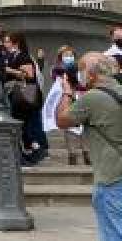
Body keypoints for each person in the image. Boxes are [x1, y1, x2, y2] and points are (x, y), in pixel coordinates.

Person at [55, 52, 122, 241]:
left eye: (81, 69)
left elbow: (61, 120)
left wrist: (67, 91)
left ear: (91, 74)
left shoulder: (93, 98)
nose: (79, 74)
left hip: (112, 177)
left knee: (113, 233)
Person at [1, 31, 48, 165]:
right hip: (18, 94)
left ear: (16, 43)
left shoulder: (23, 56)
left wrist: (9, 70)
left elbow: (29, 75)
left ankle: (35, 150)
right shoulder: (12, 56)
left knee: (27, 124)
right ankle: (29, 150)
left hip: (25, 93)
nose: (6, 44)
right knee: (23, 124)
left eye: (8, 41)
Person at [50, 45, 92, 166]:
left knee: (85, 127)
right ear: (60, 57)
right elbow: (57, 85)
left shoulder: (81, 68)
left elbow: (85, 84)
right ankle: (72, 154)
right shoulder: (57, 70)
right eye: (65, 55)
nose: (68, 57)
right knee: (69, 127)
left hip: (81, 98)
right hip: (67, 99)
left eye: (70, 55)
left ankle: (87, 153)